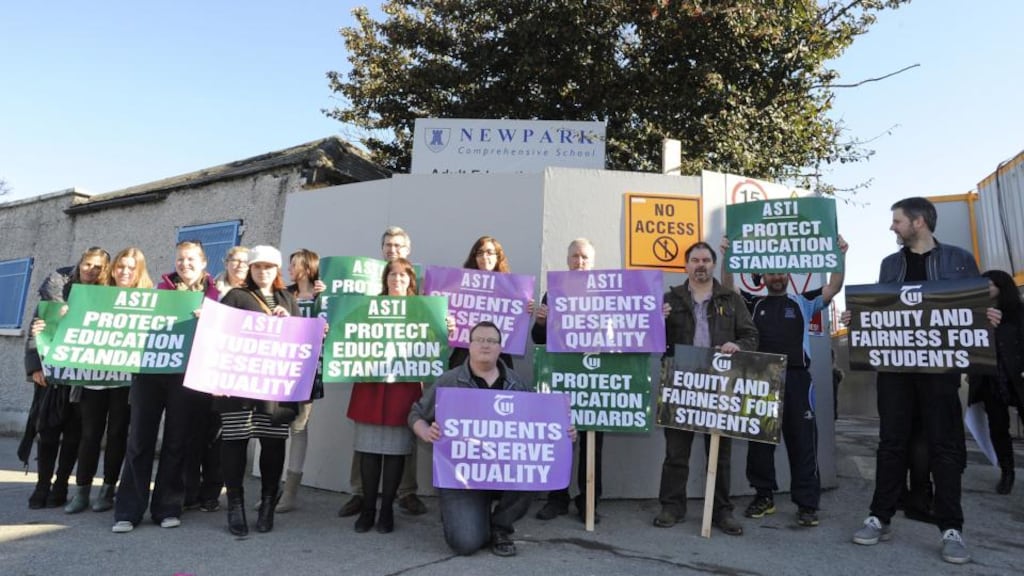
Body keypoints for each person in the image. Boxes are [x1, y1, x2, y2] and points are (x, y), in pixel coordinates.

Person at [851, 197, 998, 564]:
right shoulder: (889, 265)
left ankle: (951, 528)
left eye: (897, 221)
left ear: (918, 222)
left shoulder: (958, 259)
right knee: (891, 443)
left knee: (945, 447)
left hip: (940, 373)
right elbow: (880, 313)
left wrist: (987, 317)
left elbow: (973, 309)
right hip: (895, 372)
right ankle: (879, 516)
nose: (892, 227)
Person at [721, 235, 848, 527]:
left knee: (803, 442)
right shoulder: (752, 304)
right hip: (761, 379)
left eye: (780, 272)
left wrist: (840, 256)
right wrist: (727, 256)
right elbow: (729, 288)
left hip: (798, 380)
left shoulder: (803, 301)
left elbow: (833, 287)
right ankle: (763, 496)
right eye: (771, 272)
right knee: (760, 443)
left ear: (787, 275)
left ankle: (807, 504)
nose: (776, 277)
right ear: (762, 277)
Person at [113, 240, 219, 533]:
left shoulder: (216, 297)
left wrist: (210, 321)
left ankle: (168, 507)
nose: (185, 264)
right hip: (149, 373)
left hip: (187, 377)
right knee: (139, 441)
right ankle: (128, 511)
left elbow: (227, 337)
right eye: (180, 259)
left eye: (191, 259)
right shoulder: (158, 292)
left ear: (204, 263)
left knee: (177, 442)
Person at [654, 241, 758, 536]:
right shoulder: (669, 299)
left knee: (720, 453)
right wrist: (655, 322)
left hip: (719, 384)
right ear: (685, 266)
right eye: (695, 260)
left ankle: (722, 511)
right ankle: (671, 507)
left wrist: (736, 345)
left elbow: (751, 335)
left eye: (706, 260)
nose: (700, 265)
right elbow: (650, 340)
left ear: (713, 265)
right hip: (680, 382)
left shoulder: (731, 299)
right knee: (676, 452)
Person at [408, 321, 534, 556]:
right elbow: (415, 413)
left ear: (500, 348)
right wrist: (424, 430)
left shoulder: (518, 385)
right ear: (470, 345)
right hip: (461, 475)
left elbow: (540, 427)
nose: (485, 345)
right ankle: (473, 514)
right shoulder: (450, 380)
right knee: (465, 544)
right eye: (480, 340)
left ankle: (500, 526)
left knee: (532, 468)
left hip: (504, 471)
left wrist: (563, 433)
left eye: (491, 341)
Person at [339, 226, 427, 518]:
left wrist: (445, 329)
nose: (393, 249)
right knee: (366, 443)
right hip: (372, 382)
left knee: (403, 440)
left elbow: (431, 341)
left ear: (408, 251)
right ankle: (362, 496)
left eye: (398, 245)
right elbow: (348, 331)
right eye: (388, 244)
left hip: (403, 381)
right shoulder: (367, 299)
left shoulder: (422, 304)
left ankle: (403, 494)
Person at [215, 245, 300, 536]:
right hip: (237, 387)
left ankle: (266, 504)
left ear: (277, 270)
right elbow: (217, 336)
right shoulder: (235, 297)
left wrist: (291, 323)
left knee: (273, 446)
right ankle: (235, 505)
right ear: (250, 269)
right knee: (235, 444)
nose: (262, 271)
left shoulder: (288, 299)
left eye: (268, 266)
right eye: (257, 266)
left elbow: (300, 341)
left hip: (274, 387)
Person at [64, 247, 153, 514]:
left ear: (139, 271)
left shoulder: (148, 299)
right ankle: (81, 491)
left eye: (131, 267)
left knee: (117, 435)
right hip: (93, 379)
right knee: (89, 435)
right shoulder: (95, 295)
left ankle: (107, 491)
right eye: (120, 266)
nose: (125, 271)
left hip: (126, 382)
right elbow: (74, 325)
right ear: (112, 269)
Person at [24, 247, 109, 509]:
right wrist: (34, 367)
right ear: (79, 264)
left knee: (74, 436)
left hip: (82, 377)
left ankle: (61, 485)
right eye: (88, 264)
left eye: (97, 267)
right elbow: (35, 330)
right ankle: (42, 485)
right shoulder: (57, 289)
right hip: (53, 375)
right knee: (48, 433)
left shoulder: (105, 295)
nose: (91, 270)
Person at [534, 238, 604, 523]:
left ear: (593, 262)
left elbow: (625, 334)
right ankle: (557, 498)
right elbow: (538, 341)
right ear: (567, 260)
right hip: (561, 377)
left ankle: (589, 502)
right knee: (558, 439)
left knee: (593, 443)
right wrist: (540, 323)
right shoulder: (552, 295)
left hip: (597, 380)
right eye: (575, 256)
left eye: (585, 257)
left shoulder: (607, 295)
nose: (579, 262)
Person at [184, 248, 248, 513]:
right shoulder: (210, 289)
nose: (240, 266)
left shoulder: (253, 294)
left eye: (245, 262)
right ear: (226, 262)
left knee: (223, 436)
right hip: (203, 367)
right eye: (235, 260)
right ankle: (190, 490)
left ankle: (211, 492)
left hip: (233, 372)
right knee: (196, 433)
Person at [275, 248, 326, 513]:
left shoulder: (322, 297)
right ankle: (275, 487)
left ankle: (290, 492)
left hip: (309, 368)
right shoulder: (284, 295)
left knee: (299, 427)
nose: (289, 269)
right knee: (276, 426)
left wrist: (326, 298)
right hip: (283, 366)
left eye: (294, 264)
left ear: (307, 267)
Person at [967, 269, 1023, 495]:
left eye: (990, 284)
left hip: (1016, 377)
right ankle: (1007, 471)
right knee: (998, 428)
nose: (986, 288)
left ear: (1002, 287)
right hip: (990, 379)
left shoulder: (1018, 313)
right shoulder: (976, 314)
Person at [448, 235, 516, 369]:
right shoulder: (459, 285)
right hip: (463, 355)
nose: (485, 257)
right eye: (480, 253)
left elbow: (516, 323)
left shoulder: (511, 289)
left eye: (490, 252)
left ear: (498, 257)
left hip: (499, 357)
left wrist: (525, 311)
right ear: (474, 258)